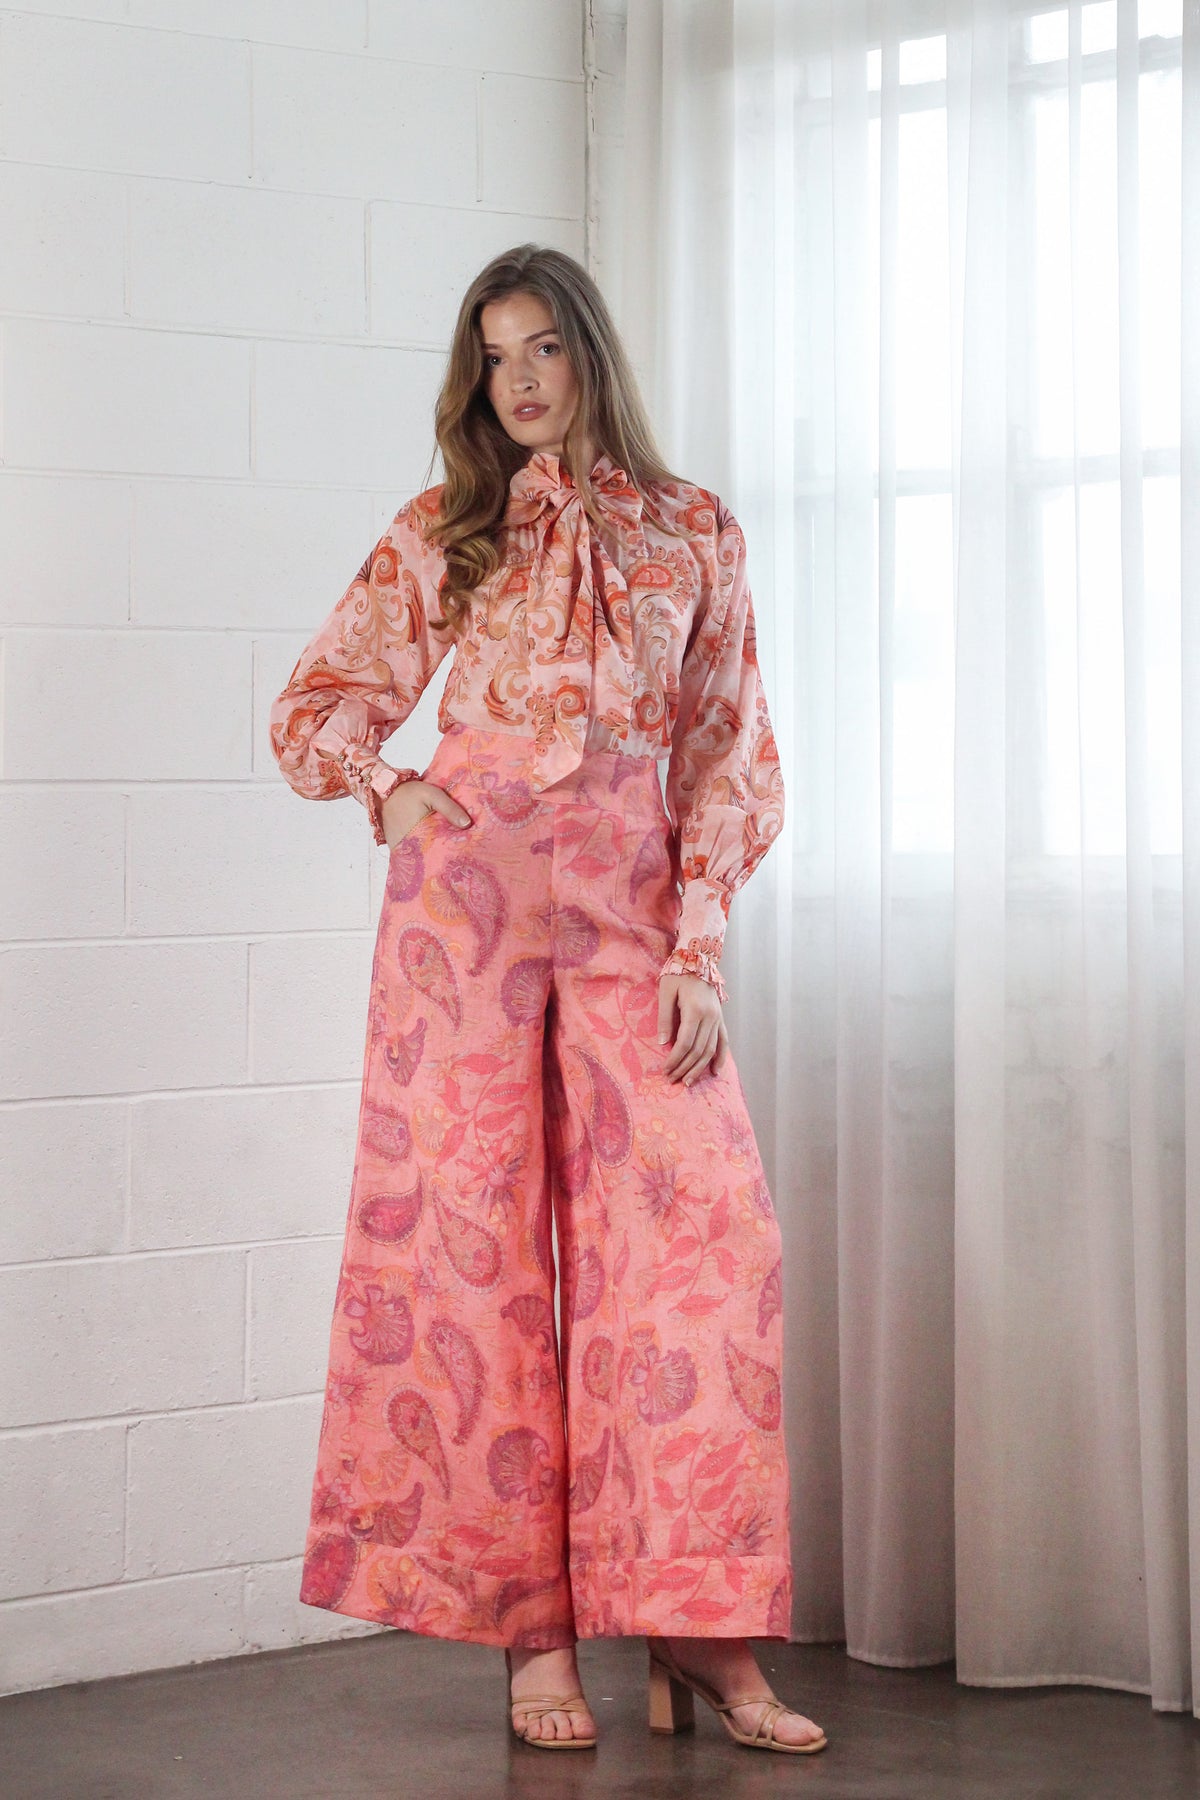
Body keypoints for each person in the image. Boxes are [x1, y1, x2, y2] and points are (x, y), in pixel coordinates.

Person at [268, 244, 826, 1756]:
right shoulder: (445, 528)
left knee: (704, 1245)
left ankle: (699, 1623)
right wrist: (388, 791)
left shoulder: (690, 528)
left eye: (544, 349)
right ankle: (533, 1630)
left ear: (590, 354)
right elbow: (316, 705)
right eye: (494, 355)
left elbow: (727, 748)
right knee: (475, 1254)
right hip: (468, 905)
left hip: (633, 902)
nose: (518, 379)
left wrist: (696, 944)